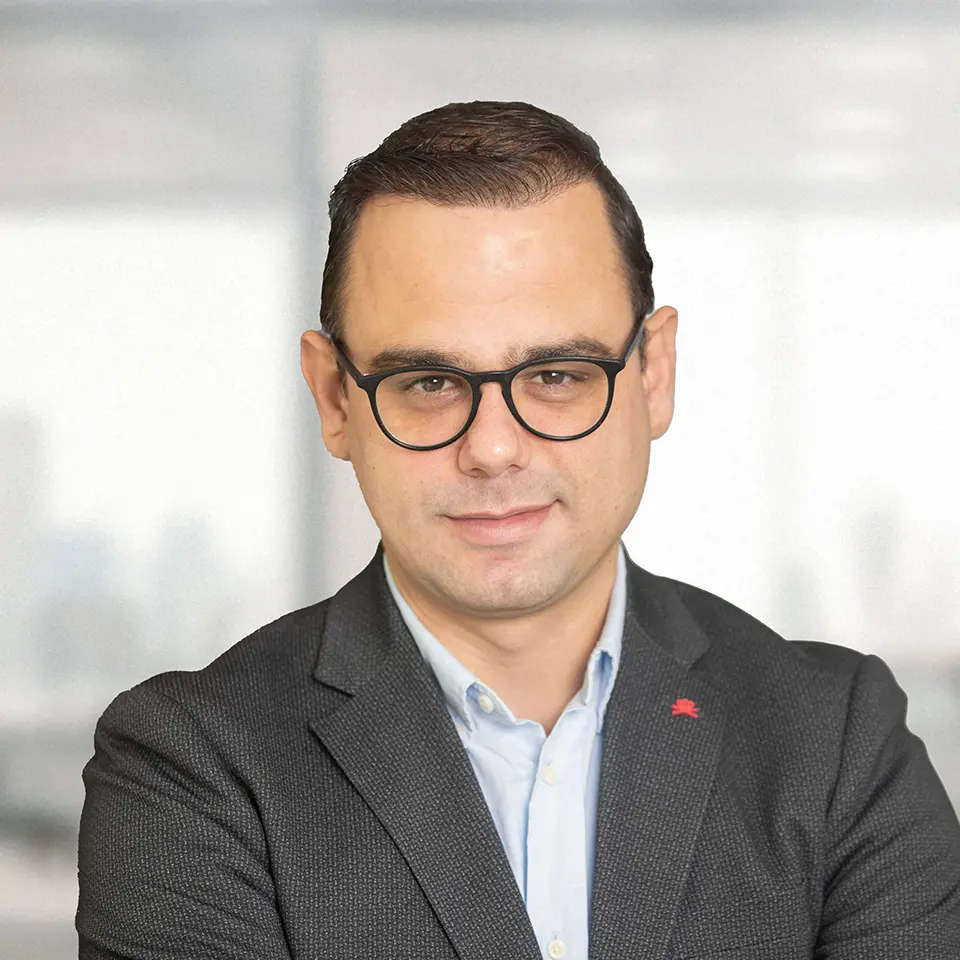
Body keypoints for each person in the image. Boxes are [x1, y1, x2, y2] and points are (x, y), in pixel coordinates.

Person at [77, 100, 960, 960]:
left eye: (557, 375)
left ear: (654, 374)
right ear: (335, 398)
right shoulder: (192, 765)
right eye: (428, 383)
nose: (493, 449)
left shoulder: (837, 741)